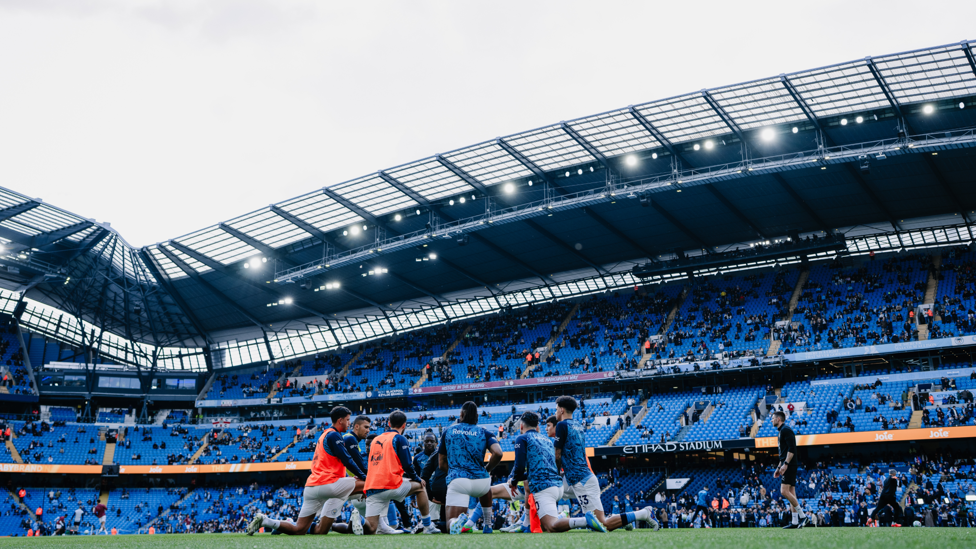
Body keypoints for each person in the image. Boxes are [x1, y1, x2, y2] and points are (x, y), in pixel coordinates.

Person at [247, 406, 368, 536]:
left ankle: (266, 521)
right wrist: (364, 477)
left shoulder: (324, 435)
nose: (349, 423)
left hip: (312, 487)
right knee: (371, 484)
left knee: (302, 529)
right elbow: (348, 460)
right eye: (348, 420)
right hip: (329, 484)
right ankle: (368, 520)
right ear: (340, 421)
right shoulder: (334, 435)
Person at [553, 396, 659, 532]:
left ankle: (643, 513)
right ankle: (620, 519)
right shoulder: (578, 425)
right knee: (555, 494)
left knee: (603, 524)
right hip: (581, 478)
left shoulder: (562, 425)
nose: (555, 412)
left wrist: (555, 475)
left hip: (581, 481)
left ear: (561, 410)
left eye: (556, 409)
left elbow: (557, 454)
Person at [509, 411, 606, 533]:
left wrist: (513, 480)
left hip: (544, 487)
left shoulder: (522, 438)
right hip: (558, 486)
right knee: (545, 527)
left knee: (551, 526)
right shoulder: (548, 440)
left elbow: (519, 467)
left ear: (521, 426)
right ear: (537, 426)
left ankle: (585, 521)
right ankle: (560, 516)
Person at [363, 410, 439, 535]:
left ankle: (358, 520)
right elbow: (407, 465)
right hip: (390, 485)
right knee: (421, 487)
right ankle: (427, 525)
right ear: (404, 425)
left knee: (371, 528)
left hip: (372, 487)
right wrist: (417, 479)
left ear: (388, 423)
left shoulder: (376, 439)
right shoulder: (399, 438)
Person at [439, 401, 503, 534]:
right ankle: (488, 524)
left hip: (458, 480)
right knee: (487, 489)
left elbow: (441, 463)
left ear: (461, 414)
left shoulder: (448, 431)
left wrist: (453, 473)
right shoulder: (484, 432)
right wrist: (487, 469)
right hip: (481, 482)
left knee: (450, 523)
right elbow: (498, 453)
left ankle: (457, 522)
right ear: (477, 417)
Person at [771, 410, 807, 529]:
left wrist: (786, 464)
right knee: (791, 492)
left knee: (784, 491)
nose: (771, 420)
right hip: (787, 464)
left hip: (790, 465)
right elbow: (784, 453)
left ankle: (803, 516)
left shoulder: (786, 430)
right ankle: (795, 522)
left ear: (778, 419)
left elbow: (792, 449)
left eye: (773, 418)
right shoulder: (781, 431)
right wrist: (778, 467)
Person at [342, 415, 373, 533]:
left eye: (369, 427)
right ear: (356, 426)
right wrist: (368, 479)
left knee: (348, 530)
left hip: (349, 482)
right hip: (349, 484)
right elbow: (360, 466)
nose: (368, 430)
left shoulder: (350, 440)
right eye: (365, 427)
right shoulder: (350, 439)